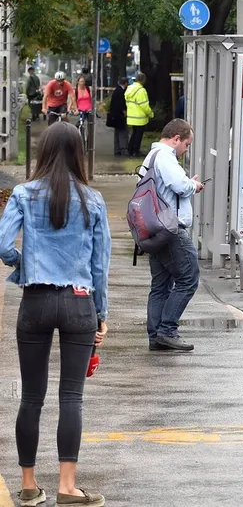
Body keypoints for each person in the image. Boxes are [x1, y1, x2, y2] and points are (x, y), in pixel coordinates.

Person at [0, 121, 110, 507]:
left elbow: (1, 244)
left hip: (36, 300)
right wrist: (101, 313)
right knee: (71, 397)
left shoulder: (23, 194)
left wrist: (23, 261)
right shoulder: (93, 200)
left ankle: (29, 486)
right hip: (79, 301)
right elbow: (100, 265)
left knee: (32, 397)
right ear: (79, 154)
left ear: (42, 151)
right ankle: (67, 487)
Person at [139, 119, 204, 352]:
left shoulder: (151, 157)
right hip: (170, 228)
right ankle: (167, 330)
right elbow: (179, 186)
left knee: (161, 284)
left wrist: (186, 183)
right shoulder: (165, 157)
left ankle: (156, 336)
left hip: (153, 228)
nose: (186, 149)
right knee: (189, 278)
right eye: (187, 144)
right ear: (176, 139)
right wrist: (193, 186)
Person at [124, 74, 153, 156]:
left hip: (131, 116)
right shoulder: (141, 90)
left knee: (134, 134)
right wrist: (150, 114)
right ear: (143, 80)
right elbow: (144, 105)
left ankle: (130, 150)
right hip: (140, 117)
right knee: (138, 135)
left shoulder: (129, 88)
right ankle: (136, 151)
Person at [106, 78, 128, 156]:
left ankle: (117, 150)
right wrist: (124, 111)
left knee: (117, 133)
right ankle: (123, 150)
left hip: (114, 116)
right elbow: (121, 103)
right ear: (125, 83)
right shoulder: (121, 92)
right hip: (120, 116)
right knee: (122, 133)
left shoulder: (116, 90)